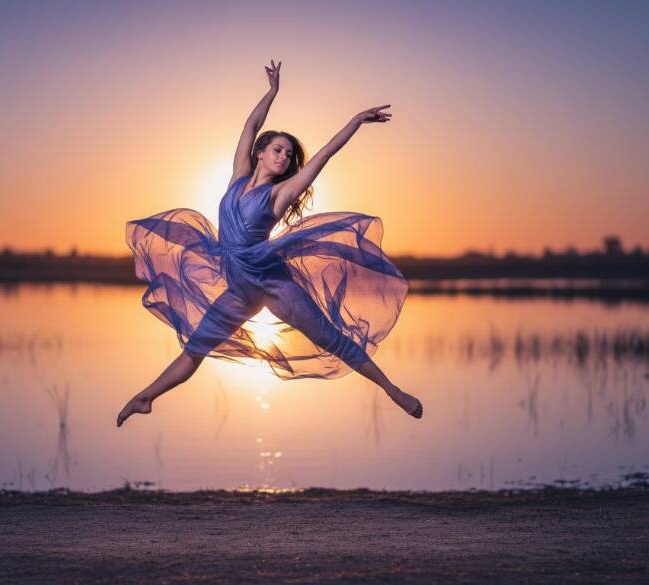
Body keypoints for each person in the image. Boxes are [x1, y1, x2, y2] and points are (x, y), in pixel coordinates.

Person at [118, 60, 422, 427]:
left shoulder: (280, 194)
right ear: (260, 152)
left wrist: (356, 121)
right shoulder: (237, 176)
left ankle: (393, 391)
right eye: (278, 150)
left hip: (272, 284)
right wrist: (273, 92)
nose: (284, 157)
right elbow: (251, 125)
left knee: (332, 340)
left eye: (289, 155)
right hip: (238, 289)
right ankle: (145, 398)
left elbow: (324, 154)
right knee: (196, 348)